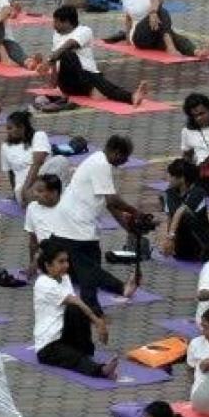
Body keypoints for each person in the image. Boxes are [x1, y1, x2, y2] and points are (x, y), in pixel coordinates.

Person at [47, 135, 142, 315]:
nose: (126, 161)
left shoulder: (98, 161)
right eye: (125, 156)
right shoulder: (101, 165)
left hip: (69, 223)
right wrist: (134, 211)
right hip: (76, 226)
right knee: (89, 270)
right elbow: (112, 199)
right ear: (115, 152)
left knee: (88, 270)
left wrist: (128, 228)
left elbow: (110, 204)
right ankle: (96, 310)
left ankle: (114, 294)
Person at [32, 240, 120, 379]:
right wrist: (98, 322)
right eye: (60, 262)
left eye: (66, 261)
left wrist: (97, 321)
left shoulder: (64, 278)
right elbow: (75, 301)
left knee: (76, 310)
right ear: (48, 265)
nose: (66, 265)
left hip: (64, 335)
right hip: (48, 346)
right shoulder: (43, 283)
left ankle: (85, 350)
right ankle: (101, 370)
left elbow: (78, 304)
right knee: (75, 359)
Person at [48, 5, 147, 106]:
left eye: (56, 22)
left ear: (67, 22)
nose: (54, 25)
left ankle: (132, 97)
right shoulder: (56, 36)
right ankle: (91, 89)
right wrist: (52, 81)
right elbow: (54, 62)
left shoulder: (84, 31)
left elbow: (71, 43)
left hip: (89, 77)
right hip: (68, 83)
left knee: (104, 84)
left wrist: (56, 53)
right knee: (67, 55)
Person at [120, 0, 195, 55]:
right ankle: (170, 46)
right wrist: (128, 40)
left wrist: (153, 13)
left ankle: (197, 52)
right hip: (139, 36)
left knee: (176, 37)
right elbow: (128, 19)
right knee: (162, 11)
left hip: (156, 33)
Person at [2, 111, 67, 206]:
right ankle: (56, 198)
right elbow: (11, 173)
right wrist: (18, 193)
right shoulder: (5, 146)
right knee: (60, 161)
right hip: (26, 191)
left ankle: (55, 197)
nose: (11, 131)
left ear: (24, 127)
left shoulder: (38, 136)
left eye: (14, 128)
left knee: (60, 161)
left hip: (39, 183)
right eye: (8, 128)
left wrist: (26, 187)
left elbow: (38, 162)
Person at [23, 174, 64, 276]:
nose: (35, 194)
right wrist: (32, 264)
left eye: (40, 191)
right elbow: (33, 240)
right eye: (35, 190)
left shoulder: (66, 209)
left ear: (54, 193)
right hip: (44, 258)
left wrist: (37, 260)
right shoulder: (32, 208)